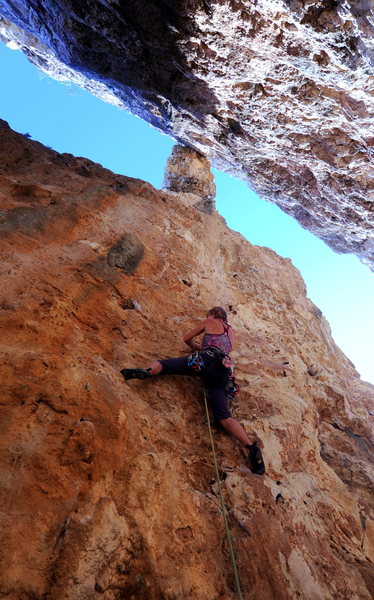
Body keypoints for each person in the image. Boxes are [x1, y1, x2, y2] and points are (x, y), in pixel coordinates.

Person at [121, 306, 265, 475]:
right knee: (224, 416)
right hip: (224, 370)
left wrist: (196, 346)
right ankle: (251, 448)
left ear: (212, 314)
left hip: (205, 359)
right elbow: (224, 349)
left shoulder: (210, 321)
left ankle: (146, 372)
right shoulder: (231, 332)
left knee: (165, 365)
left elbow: (186, 338)